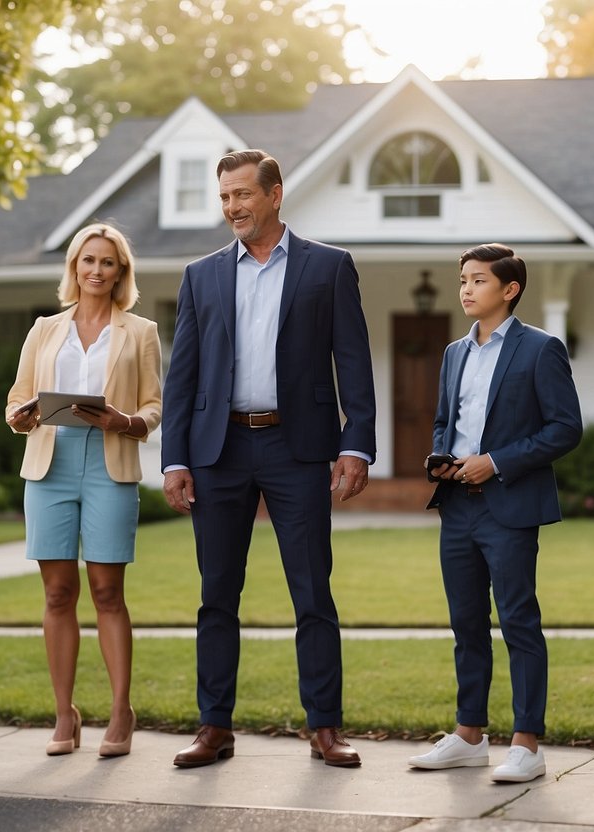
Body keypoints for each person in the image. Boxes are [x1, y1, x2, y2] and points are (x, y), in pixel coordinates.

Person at [161, 149, 376, 769]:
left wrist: (355, 442)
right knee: (216, 594)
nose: (232, 207)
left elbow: (354, 359)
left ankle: (326, 728)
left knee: (312, 591)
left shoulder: (328, 267)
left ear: (275, 195)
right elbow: (183, 376)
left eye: (243, 195)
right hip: (218, 451)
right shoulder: (201, 275)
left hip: (298, 448)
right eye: (225, 197)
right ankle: (213, 726)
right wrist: (176, 458)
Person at [410, 243, 582, 783]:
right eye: (462, 279)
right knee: (466, 624)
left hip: (509, 507)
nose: (465, 289)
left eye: (478, 280)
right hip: (457, 507)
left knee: (518, 622)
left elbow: (565, 428)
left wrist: (497, 463)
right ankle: (469, 735)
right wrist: (443, 458)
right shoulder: (453, 353)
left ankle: (527, 745)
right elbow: (444, 421)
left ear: (509, 290)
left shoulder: (541, 349)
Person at [5, 222, 162, 759]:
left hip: (109, 464)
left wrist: (124, 421)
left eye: (107, 262)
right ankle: (64, 714)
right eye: (87, 260)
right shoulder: (45, 329)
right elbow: (16, 401)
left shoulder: (140, 331)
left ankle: (121, 712)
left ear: (121, 272)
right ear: (74, 267)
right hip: (49, 465)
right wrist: (22, 418)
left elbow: (154, 409)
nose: (96, 270)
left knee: (106, 593)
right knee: (56, 594)